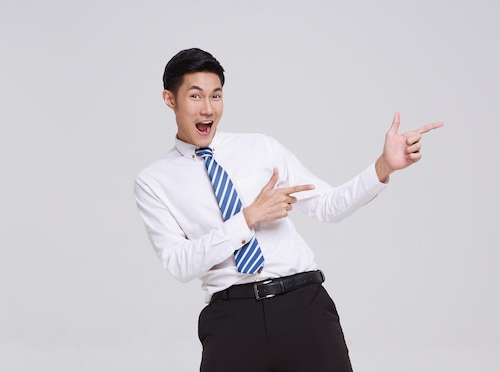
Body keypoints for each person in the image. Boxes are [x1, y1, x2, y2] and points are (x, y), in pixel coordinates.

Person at [134, 47, 442, 372]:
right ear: (171, 99)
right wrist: (248, 218)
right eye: (195, 96)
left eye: (216, 95)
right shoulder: (154, 181)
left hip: (303, 306)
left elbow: (327, 205)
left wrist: (383, 167)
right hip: (232, 319)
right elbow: (180, 264)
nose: (208, 109)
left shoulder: (260, 148)